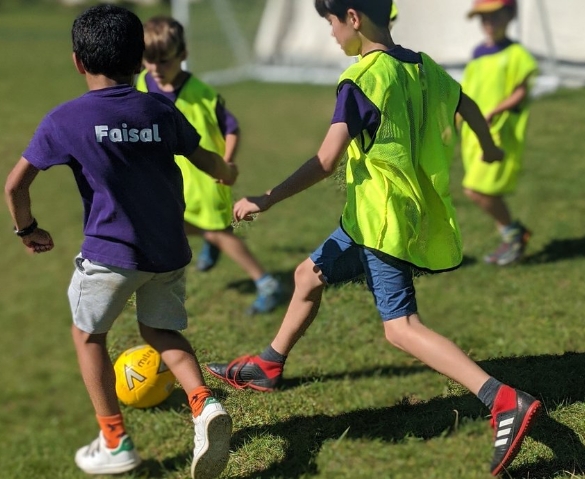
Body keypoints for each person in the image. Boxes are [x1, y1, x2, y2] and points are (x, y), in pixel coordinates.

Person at [206, 0, 542, 476]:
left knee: (400, 328)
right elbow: (466, 104)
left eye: (329, 23)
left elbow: (326, 161)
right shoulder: (423, 66)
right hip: (376, 216)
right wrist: (487, 147)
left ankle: (502, 398)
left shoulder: (362, 80)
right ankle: (269, 363)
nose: (330, 34)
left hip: (381, 224)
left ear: (352, 18)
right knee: (307, 275)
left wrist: (266, 197)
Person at [4, 5, 235, 478]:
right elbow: (205, 159)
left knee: (88, 335)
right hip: (168, 251)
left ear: (77, 62)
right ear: (138, 61)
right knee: (160, 332)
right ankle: (203, 403)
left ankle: (114, 440)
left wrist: (28, 230)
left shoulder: (64, 119)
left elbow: (15, 186)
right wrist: (227, 171)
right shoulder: (159, 108)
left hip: (111, 255)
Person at [136, 16, 283, 315]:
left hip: (207, 178)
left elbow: (232, 127)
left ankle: (266, 282)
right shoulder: (141, 82)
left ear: (183, 55)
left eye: (164, 61)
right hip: (171, 178)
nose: (156, 69)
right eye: (149, 61)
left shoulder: (203, 94)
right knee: (174, 224)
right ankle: (211, 241)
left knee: (217, 231)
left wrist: (227, 163)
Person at [460, 0, 538, 265]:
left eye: (494, 16)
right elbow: (468, 92)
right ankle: (512, 239)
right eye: (484, 18)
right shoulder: (478, 54)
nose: (489, 23)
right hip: (474, 136)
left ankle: (515, 235)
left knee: (477, 190)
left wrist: (495, 110)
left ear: (510, 15)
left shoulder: (517, 54)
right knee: (485, 191)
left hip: (499, 134)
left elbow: (521, 90)